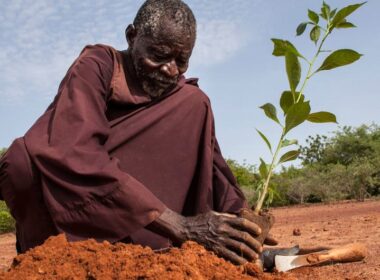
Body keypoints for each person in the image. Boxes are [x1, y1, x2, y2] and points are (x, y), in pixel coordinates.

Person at [0, 0, 273, 265]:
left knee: (194, 102)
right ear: (132, 37)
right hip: (74, 208)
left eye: (182, 60)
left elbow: (213, 165)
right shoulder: (97, 66)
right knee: (22, 159)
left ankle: (153, 249)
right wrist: (179, 225)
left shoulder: (183, 98)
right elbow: (73, 149)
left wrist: (243, 221)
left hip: (141, 226)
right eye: (158, 55)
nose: (170, 70)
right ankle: (51, 257)